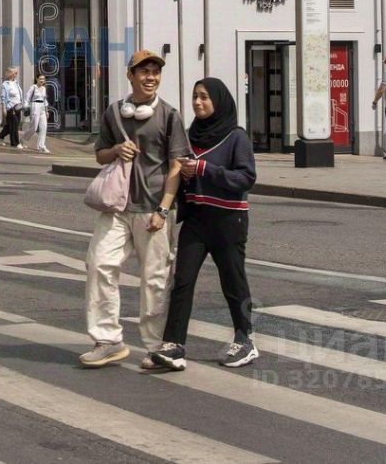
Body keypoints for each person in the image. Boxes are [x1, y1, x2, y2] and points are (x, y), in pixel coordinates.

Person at [80, 49, 190, 370]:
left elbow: (176, 166)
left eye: (155, 71)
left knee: (155, 279)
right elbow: (100, 155)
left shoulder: (169, 115)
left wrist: (163, 210)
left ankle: (156, 347)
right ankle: (108, 340)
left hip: (153, 209)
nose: (151, 77)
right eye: (144, 71)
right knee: (99, 263)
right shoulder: (115, 112)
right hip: (117, 206)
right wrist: (116, 149)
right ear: (131, 75)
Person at [149, 78, 258, 371]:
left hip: (228, 220)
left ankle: (245, 339)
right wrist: (186, 178)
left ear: (218, 101)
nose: (198, 102)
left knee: (233, 281)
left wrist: (204, 168)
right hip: (197, 219)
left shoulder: (236, 137)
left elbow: (246, 178)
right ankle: (174, 344)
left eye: (204, 97)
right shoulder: (189, 136)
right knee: (182, 281)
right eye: (195, 96)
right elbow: (182, 176)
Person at [0, 67, 24, 148]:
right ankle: (15, 143)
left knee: (11, 126)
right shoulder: (5, 84)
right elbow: (2, 98)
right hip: (10, 108)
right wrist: (4, 109)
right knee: (14, 125)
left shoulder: (16, 83)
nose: (16, 74)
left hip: (18, 107)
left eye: (16, 72)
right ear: (9, 73)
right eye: (14, 72)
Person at [22, 74, 50, 154]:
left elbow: (45, 100)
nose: (42, 80)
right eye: (40, 79)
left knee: (44, 127)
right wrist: (26, 106)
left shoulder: (44, 88)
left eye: (43, 79)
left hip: (42, 108)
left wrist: (47, 111)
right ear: (37, 79)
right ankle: (23, 140)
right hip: (35, 106)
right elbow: (27, 98)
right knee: (34, 127)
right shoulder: (33, 87)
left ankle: (41, 146)